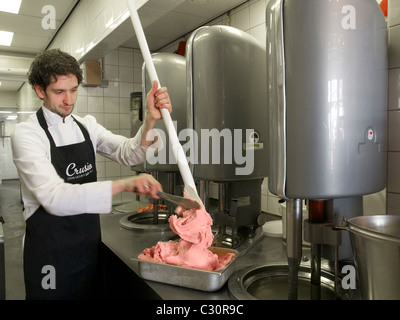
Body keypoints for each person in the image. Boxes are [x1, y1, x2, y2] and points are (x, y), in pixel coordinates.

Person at [11, 48, 171, 300]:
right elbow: (55, 198)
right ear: (40, 90)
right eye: (59, 91)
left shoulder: (86, 126)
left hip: (87, 249)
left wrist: (150, 120)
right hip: (50, 256)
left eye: (73, 90)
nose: (68, 100)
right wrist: (124, 185)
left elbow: (130, 153)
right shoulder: (27, 134)